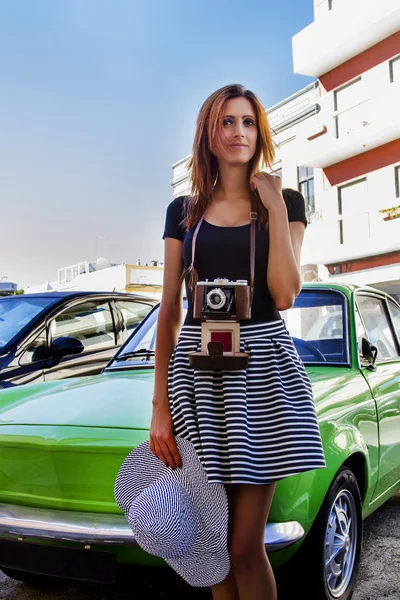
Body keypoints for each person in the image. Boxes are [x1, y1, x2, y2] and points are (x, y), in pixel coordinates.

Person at [149, 83, 326, 600]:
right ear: (209, 132)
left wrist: (271, 204)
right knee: (210, 541)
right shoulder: (183, 210)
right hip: (197, 376)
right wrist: (159, 405)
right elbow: (170, 309)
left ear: (260, 132)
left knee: (246, 545)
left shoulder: (285, 201)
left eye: (248, 121)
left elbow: (286, 293)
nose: (238, 132)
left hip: (262, 369)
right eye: (227, 121)